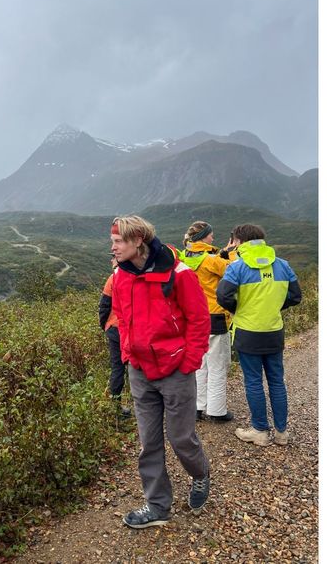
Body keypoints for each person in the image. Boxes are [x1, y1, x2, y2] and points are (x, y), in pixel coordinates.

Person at [110, 215, 211, 528]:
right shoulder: (120, 276)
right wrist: (128, 353)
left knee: (181, 438)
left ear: (138, 240)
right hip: (140, 371)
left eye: (118, 241)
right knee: (148, 442)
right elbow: (122, 317)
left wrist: (189, 361)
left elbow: (199, 320)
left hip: (175, 371)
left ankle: (201, 474)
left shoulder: (179, 275)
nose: (112, 247)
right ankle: (157, 506)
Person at [216, 224, 301, 447]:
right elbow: (295, 296)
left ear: (238, 242)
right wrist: (272, 308)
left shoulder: (237, 267)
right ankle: (282, 433)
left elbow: (223, 296)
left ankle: (260, 431)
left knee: (253, 381)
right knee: (276, 381)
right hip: (274, 330)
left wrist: (239, 308)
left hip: (247, 331)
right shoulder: (283, 265)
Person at [179, 220, 235, 423]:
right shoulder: (212, 261)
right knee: (218, 366)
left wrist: (220, 252)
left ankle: (197, 407)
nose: (213, 237)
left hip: (193, 318)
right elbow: (232, 270)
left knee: (199, 364)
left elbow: (205, 260)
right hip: (215, 316)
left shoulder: (185, 257)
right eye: (210, 235)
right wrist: (233, 252)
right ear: (204, 237)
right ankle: (217, 411)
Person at [98, 258, 131, 420]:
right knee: (136, 367)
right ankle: (144, 405)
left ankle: (116, 407)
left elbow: (104, 306)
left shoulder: (113, 278)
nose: (111, 259)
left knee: (117, 368)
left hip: (115, 329)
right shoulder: (137, 275)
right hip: (133, 329)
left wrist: (104, 325)